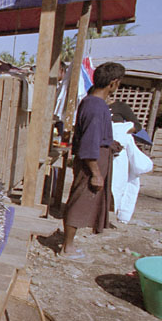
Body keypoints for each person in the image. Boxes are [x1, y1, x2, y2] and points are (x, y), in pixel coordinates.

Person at [60, 62, 125, 261]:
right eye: (119, 83)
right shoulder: (96, 106)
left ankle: (68, 244)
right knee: (80, 201)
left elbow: (95, 134)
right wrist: (95, 173)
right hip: (91, 163)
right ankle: (67, 248)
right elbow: (89, 143)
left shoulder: (93, 103)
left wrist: (109, 142)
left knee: (82, 200)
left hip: (94, 159)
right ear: (113, 83)